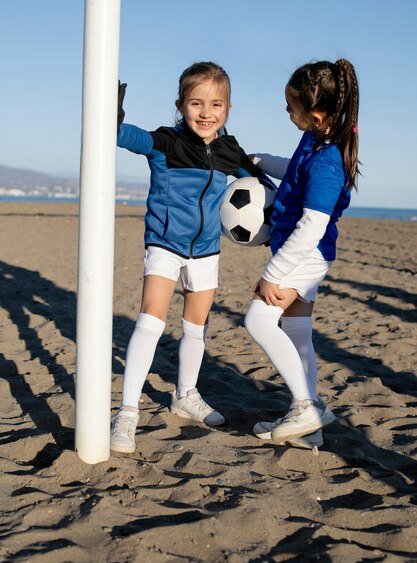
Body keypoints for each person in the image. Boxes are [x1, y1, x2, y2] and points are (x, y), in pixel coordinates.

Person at [111, 61, 258, 453]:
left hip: (207, 250)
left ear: (227, 109)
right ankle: (127, 412)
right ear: (180, 105)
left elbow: (259, 184)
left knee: (196, 327)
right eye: (196, 103)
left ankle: (185, 395)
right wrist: (111, 111)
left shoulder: (229, 150)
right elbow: (124, 136)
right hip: (164, 243)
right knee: (150, 321)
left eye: (216, 105)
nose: (206, 113)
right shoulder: (167, 143)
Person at [245, 59, 360, 449]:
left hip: (304, 255)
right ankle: (309, 429)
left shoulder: (329, 160)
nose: (286, 112)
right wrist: (258, 162)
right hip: (305, 253)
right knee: (297, 333)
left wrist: (274, 274)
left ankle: (306, 405)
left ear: (313, 115)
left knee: (258, 320)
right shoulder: (316, 139)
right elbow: (295, 170)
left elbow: (312, 225)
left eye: (290, 107)